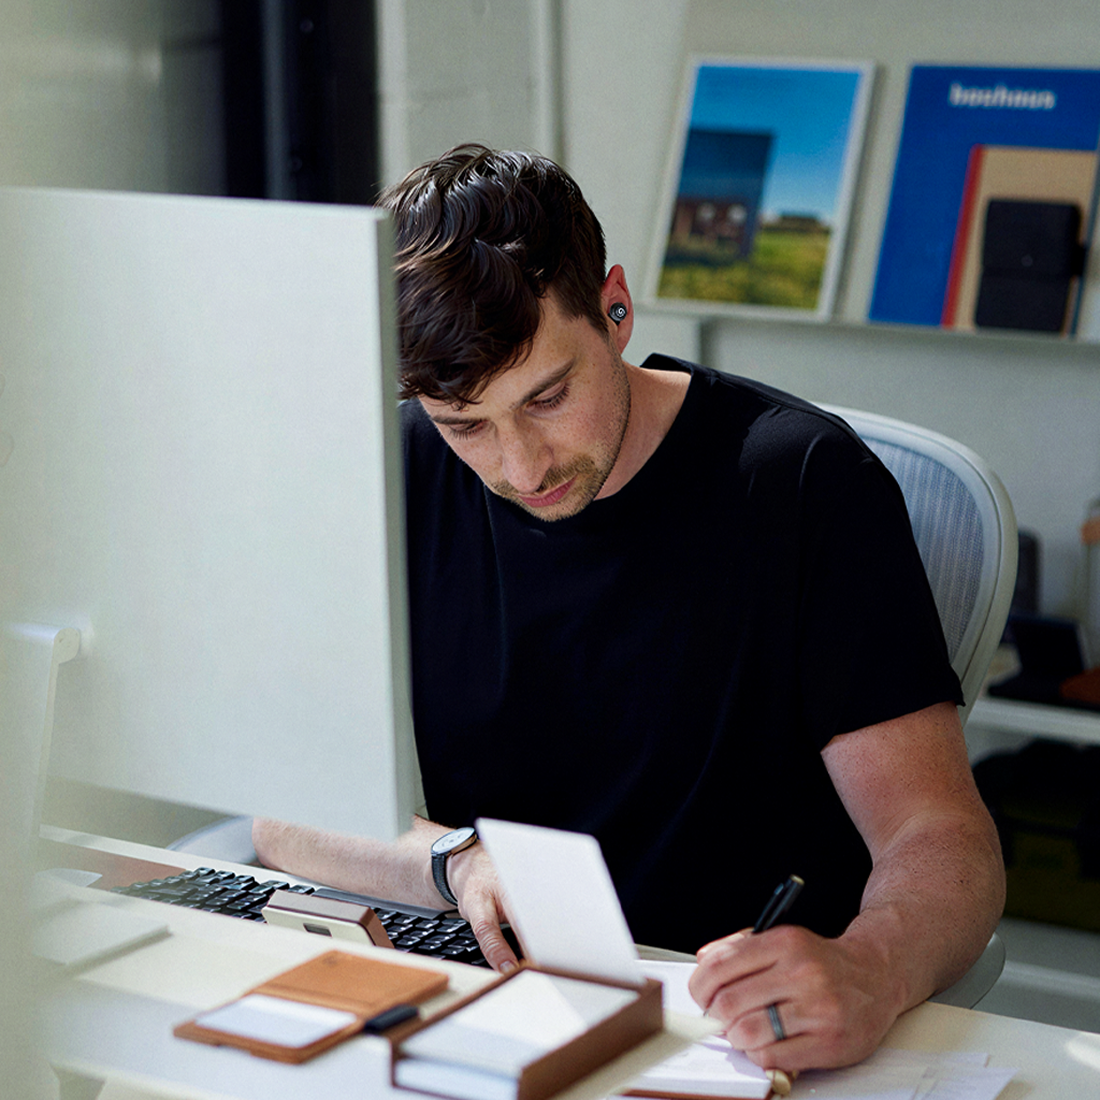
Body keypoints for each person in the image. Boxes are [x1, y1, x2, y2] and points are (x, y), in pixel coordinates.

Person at [252, 144, 1005, 1072]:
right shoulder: (404, 468)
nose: (519, 467)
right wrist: (457, 861)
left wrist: (872, 966)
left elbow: (939, 835)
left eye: (549, 396)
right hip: (508, 1011)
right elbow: (284, 808)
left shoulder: (804, 484)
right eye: (467, 427)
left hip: (729, 1030)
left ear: (615, 308)